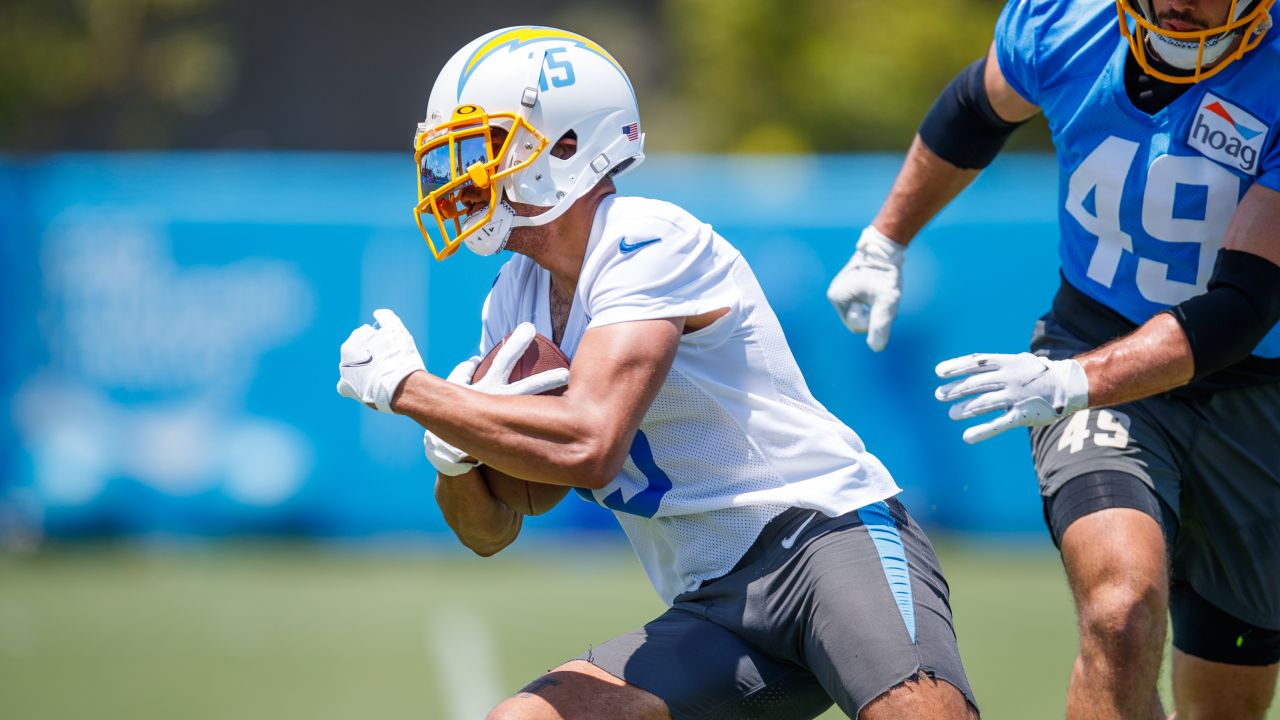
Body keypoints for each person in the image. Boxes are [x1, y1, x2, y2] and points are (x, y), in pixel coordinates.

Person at [337, 26, 978, 720]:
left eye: (484, 146)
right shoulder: (512, 296)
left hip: (824, 542)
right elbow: (491, 530)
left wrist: (415, 391)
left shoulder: (645, 238)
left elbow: (588, 445)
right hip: (717, 607)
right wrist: (454, 453)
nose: (462, 173)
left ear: (566, 144)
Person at [826, 0, 1280, 717]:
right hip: (1094, 344)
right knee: (1120, 611)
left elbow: (1242, 307)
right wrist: (884, 238)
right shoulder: (1069, 19)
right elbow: (976, 107)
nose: (1177, 6)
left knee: (1225, 704)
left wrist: (1073, 380)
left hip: (1254, 384)